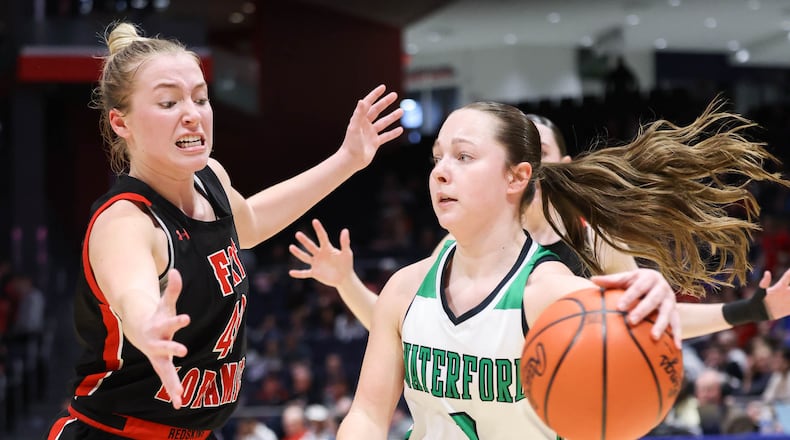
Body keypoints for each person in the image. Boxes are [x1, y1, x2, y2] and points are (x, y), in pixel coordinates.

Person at [331, 101, 790, 439]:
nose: (440, 172)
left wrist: (652, 298)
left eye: (463, 156)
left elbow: (638, 323)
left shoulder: (567, 273)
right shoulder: (417, 278)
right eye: (437, 158)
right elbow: (371, 406)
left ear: (522, 174)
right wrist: (346, 282)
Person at [45, 21, 403, 439]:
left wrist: (348, 159)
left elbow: (249, 222)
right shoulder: (124, 222)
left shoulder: (210, 179)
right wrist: (147, 325)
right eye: (168, 103)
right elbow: (132, 293)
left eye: (200, 98)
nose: (192, 115)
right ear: (121, 124)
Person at [288, 113, 640, 332]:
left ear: (562, 163)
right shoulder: (458, 247)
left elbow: (645, 323)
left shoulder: (595, 240)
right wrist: (346, 281)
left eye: (541, 153)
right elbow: (396, 329)